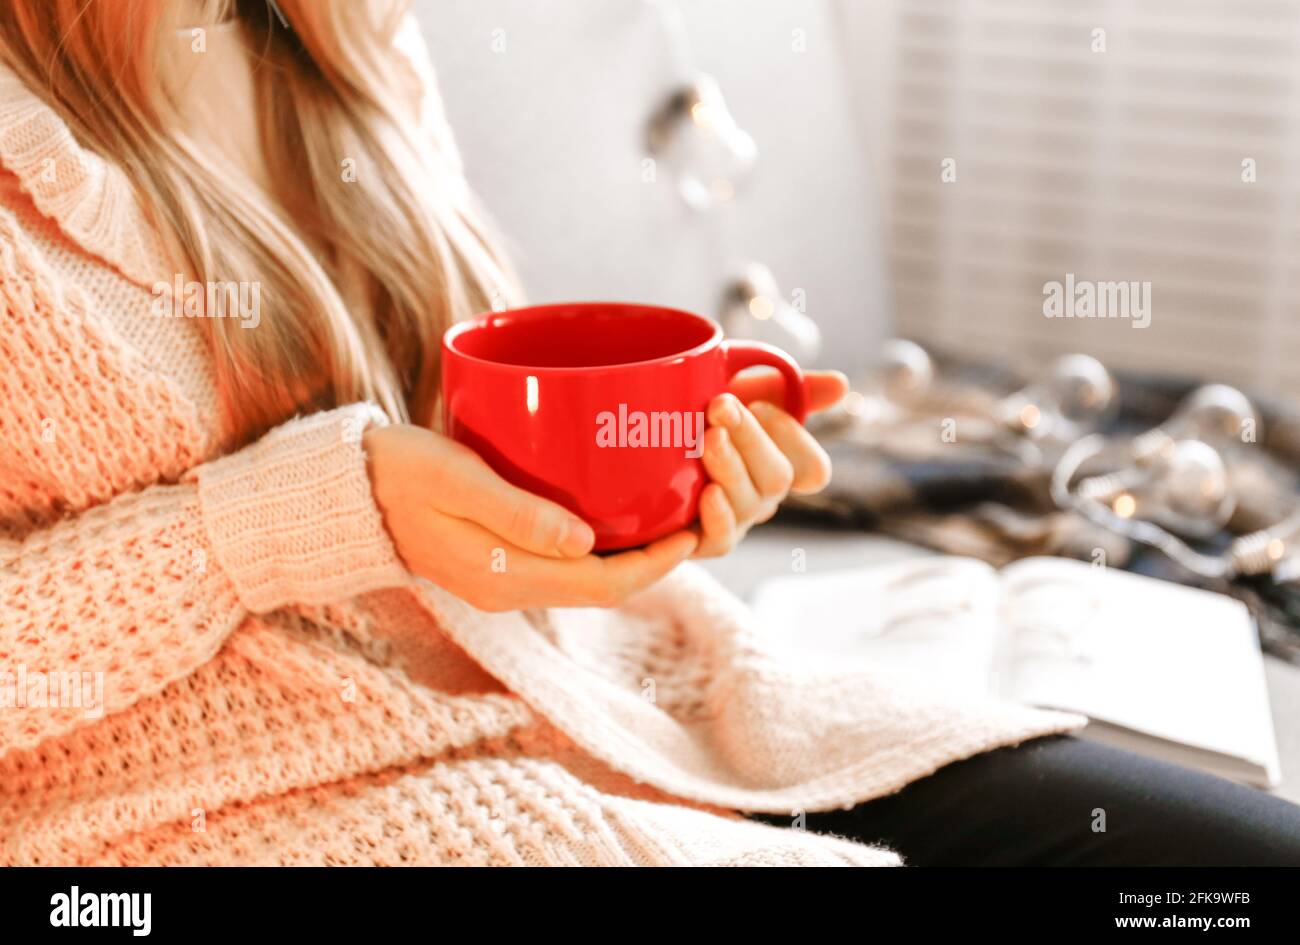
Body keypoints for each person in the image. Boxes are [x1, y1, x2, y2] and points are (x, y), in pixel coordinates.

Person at [0, 0, 1296, 866]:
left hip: (616, 692)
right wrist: (295, 523)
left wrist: (645, 478)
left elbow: (448, 428)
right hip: (227, 810)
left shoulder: (343, 32)